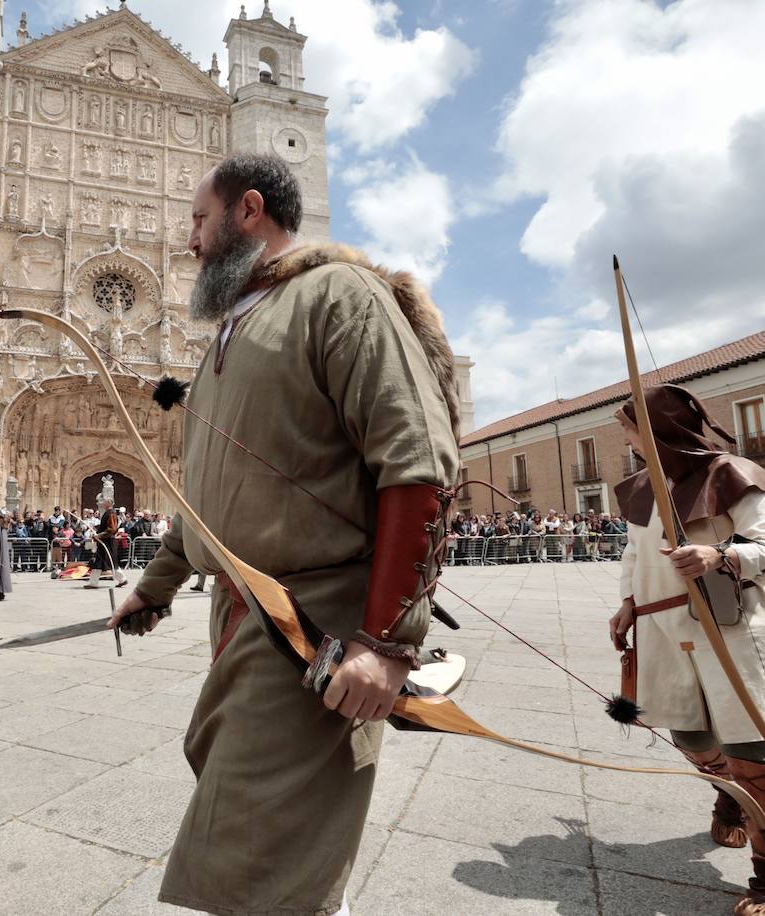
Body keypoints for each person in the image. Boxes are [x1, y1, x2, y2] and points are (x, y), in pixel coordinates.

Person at [108, 154, 461, 915]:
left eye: (199, 220)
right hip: (240, 619)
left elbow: (419, 465)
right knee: (265, 845)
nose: (188, 240)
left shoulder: (339, 294)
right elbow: (201, 493)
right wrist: (155, 585)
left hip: (317, 626)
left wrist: (387, 642)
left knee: (256, 863)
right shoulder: (231, 331)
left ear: (249, 212)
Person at [607, 385, 765, 916]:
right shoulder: (641, 487)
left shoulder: (730, 474)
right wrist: (626, 604)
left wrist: (717, 554)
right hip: (663, 630)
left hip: (733, 627)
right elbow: (635, 555)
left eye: (632, 427)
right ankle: (729, 795)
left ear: (660, 430)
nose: (627, 437)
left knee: (750, 751)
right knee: (690, 734)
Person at [86, 497, 127, 588]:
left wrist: (99, 535)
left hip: (108, 542)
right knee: (99, 562)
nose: (102, 504)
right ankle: (93, 583)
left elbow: (112, 529)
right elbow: (105, 527)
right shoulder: (108, 513)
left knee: (111, 562)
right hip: (103, 542)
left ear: (109, 503)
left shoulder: (111, 513)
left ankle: (122, 579)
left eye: (104, 502)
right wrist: (97, 529)